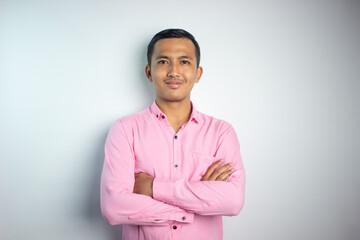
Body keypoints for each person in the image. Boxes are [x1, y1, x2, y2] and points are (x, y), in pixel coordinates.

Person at [100, 28, 245, 240]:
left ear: (198, 73)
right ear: (149, 72)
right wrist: (195, 203)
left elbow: (232, 201)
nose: (173, 72)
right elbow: (114, 208)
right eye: (163, 61)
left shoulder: (221, 132)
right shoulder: (125, 130)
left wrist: (152, 187)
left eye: (184, 62)